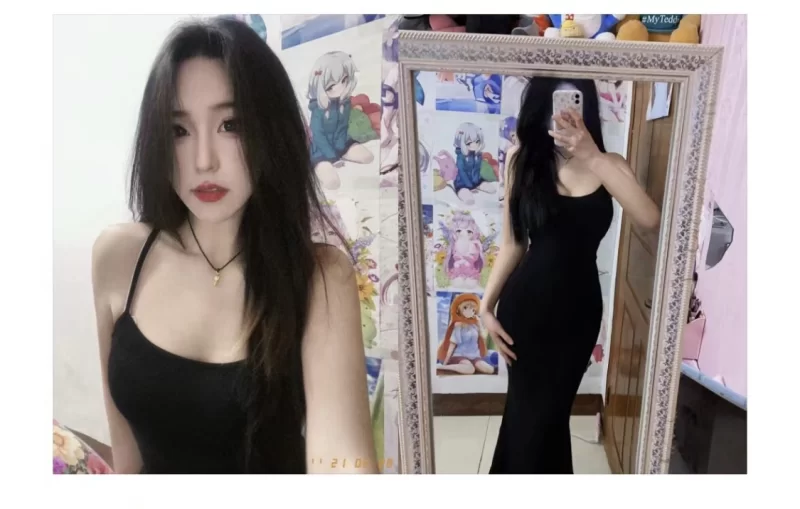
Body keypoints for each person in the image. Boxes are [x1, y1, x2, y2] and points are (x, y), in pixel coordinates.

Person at [91, 18, 377, 474]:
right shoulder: (119, 257)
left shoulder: (320, 278)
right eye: (179, 130)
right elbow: (126, 457)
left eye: (231, 124)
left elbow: (342, 462)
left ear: (270, 130)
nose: (203, 161)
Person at [480, 77, 661, 474]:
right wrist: (485, 306)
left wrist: (591, 155)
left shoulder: (610, 164)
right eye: (555, 100)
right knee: (528, 418)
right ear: (542, 104)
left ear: (586, 104)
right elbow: (513, 243)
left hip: (578, 316)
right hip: (525, 312)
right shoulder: (521, 159)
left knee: (550, 416)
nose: (563, 112)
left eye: (572, 100)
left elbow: (650, 220)